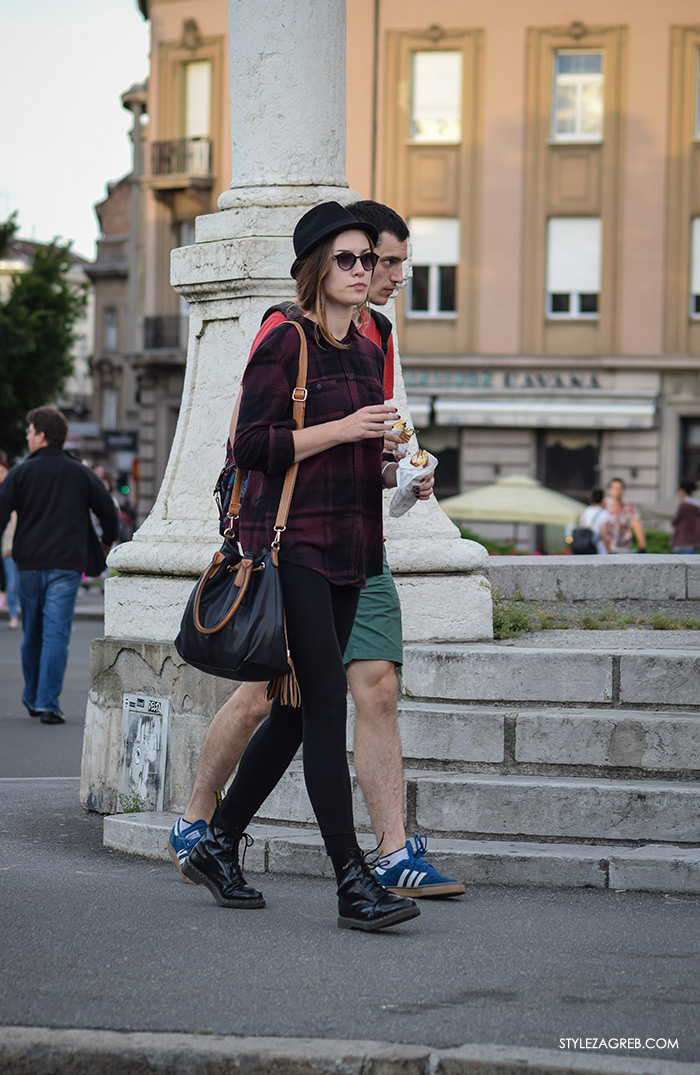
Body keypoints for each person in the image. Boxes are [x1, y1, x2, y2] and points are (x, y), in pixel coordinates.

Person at [169, 201, 464, 899]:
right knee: (327, 701)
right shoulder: (286, 341)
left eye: (373, 259)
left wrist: (403, 475)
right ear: (316, 269)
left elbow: (367, 456)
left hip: (352, 547)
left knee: (297, 710)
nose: (366, 271)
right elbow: (252, 446)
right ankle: (352, 880)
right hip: (290, 545)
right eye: (350, 259)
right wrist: (341, 428)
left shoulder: (371, 347)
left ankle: (217, 840)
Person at [0, 407, 119, 724]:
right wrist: (107, 540)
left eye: (29, 432)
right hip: (66, 566)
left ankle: (32, 693)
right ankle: (47, 703)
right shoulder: (80, 472)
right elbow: (108, 510)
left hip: (28, 566)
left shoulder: (20, 473)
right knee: (56, 635)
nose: (27, 436)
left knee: (32, 634)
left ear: (41, 435)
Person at [0, 452, 20, 628]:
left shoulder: (18, 495)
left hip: (23, 547)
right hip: (7, 547)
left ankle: (22, 615)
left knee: (21, 583)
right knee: (12, 583)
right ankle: (14, 615)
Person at [604, 477, 647, 554]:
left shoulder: (629, 506)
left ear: (623, 490)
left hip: (623, 548)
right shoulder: (604, 505)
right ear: (610, 490)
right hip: (606, 548)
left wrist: (642, 546)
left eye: (620, 488)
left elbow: (636, 524)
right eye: (615, 488)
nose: (617, 491)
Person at [579, 487, 612, 555]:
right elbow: (604, 534)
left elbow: (581, 528)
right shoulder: (604, 514)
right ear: (603, 499)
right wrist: (609, 550)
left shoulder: (586, 511)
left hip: (586, 546)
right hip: (599, 548)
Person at [671, 479, 700, 553]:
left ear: (682, 490)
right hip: (692, 543)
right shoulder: (696, 505)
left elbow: (675, 521)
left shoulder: (684, 505)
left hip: (681, 542)